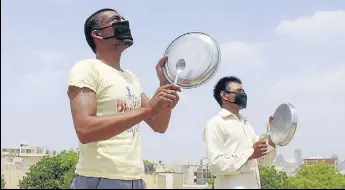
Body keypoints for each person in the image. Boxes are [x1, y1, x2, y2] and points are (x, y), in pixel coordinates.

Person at [67, 8, 181, 189]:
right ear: (97, 34)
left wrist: (164, 90)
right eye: (115, 20)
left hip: (135, 179)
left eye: (123, 19)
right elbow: (84, 129)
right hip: (100, 179)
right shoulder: (86, 68)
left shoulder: (131, 78)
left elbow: (159, 125)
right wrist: (149, 109)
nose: (123, 23)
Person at [202, 76, 277, 189]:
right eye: (239, 91)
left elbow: (263, 160)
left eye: (243, 91)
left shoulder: (245, 124)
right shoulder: (215, 123)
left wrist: (273, 133)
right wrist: (250, 154)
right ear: (224, 95)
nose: (243, 95)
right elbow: (215, 164)